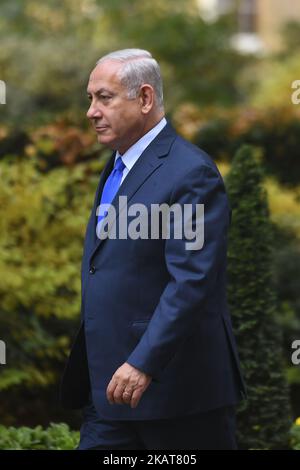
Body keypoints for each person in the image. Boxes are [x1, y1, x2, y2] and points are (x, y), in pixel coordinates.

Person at [60, 48, 246, 450]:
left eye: (104, 98)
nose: (91, 111)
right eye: (90, 99)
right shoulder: (116, 165)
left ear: (144, 98)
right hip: (109, 395)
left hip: (177, 398)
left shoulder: (191, 173)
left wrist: (144, 361)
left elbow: (193, 280)